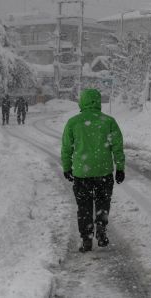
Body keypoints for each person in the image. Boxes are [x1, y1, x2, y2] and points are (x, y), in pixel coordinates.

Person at [61, 88, 125, 253]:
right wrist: (120, 168)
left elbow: (66, 148)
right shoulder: (108, 122)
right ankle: (101, 229)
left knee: (84, 207)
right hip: (103, 172)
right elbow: (118, 147)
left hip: (82, 174)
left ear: (81, 102)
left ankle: (86, 239)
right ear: (98, 101)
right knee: (103, 203)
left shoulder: (73, 122)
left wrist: (67, 167)